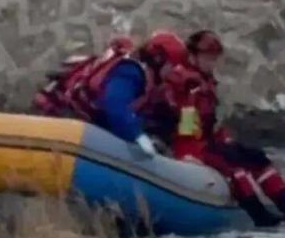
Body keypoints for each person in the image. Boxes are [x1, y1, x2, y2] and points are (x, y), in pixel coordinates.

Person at [172, 31, 285, 228]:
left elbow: (209, 120)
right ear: (193, 56)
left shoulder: (203, 83)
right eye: (208, 58)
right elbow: (187, 123)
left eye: (214, 59)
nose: (212, 63)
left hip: (208, 140)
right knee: (233, 166)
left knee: (256, 157)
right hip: (192, 146)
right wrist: (193, 151)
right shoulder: (187, 84)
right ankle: (258, 213)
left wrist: (223, 138)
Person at [34, 31, 188, 157]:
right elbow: (114, 104)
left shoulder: (150, 77)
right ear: (159, 58)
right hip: (69, 116)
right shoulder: (131, 71)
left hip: (86, 117)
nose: (173, 71)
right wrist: (138, 137)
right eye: (172, 66)